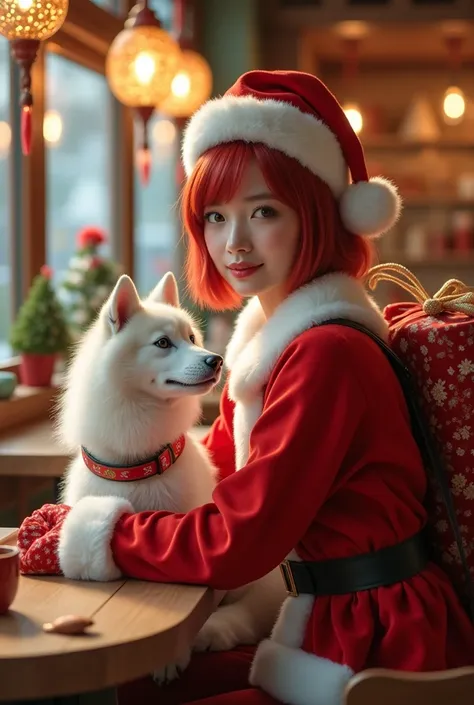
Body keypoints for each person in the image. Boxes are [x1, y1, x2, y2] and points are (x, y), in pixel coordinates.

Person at [18, 71, 474, 705]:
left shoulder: (326, 354)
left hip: (376, 640)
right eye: (215, 216)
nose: (233, 242)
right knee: (145, 685)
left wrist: (98, 535)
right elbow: (229, 474)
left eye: (263, 211)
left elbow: (239, 539)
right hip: (323, 616)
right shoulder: (271, 338)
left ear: (316, 212)